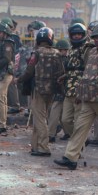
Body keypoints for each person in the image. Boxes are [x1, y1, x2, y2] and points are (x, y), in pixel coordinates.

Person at [56, 21, 98, 171]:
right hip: (88, 98)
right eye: (95, 38)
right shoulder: (91, 52)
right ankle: (70, 157)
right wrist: (81, 94)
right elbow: (86, 74)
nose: (97, 40)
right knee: (79, 129)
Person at [18, 27, 63, 157]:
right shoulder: (57, 53)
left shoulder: (36, 53)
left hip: (38, 90)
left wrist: (18, 79)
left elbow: (29, 72)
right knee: (41, 117)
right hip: (52, 90)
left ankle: (43, 147)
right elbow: (61, 72)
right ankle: (35, 145)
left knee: (39, 118)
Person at [60, 22, 91, 140]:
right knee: (65, 120)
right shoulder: (71, 49)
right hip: (69, 90)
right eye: (74, 34)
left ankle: (78, 147)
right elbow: (71, 68)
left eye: (79, 34)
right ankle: (80, 140)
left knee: (79, 121)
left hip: (80, 90)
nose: (77, 36)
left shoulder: (87, 49)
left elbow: (89, 70)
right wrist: (64, 76)